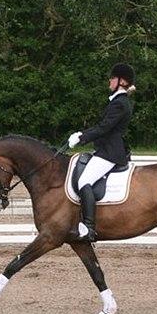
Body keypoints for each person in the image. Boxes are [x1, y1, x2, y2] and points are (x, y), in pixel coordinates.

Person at [67, 62, 136, 241]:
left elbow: (104, 128)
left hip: (110, 152)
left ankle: (89, 228)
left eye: (113, 78)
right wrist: (82, 134)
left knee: (84, 181)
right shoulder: (118, 101)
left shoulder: (120, 103)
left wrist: (82, 138)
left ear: (122, 82)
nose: (110, 80)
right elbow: (102, 127)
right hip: (107, 149)